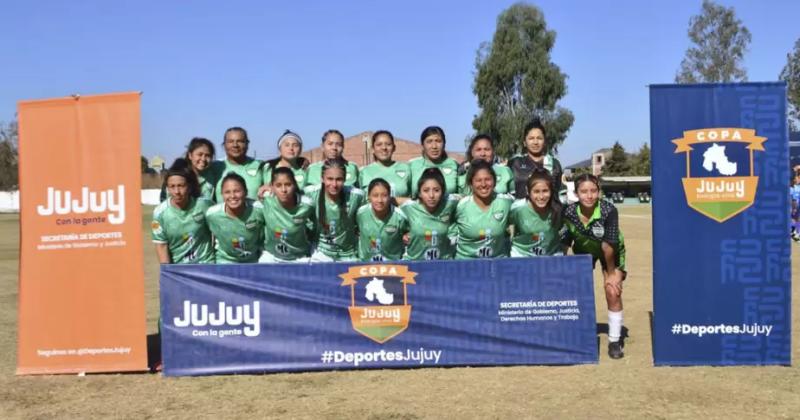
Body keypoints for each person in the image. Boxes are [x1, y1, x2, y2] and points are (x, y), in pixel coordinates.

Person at [562, 174, 627, 359]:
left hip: (611, 252)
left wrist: (612, 273)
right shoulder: (568, 212)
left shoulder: (608, 210)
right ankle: (579, 334)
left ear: (599, 192)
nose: (589, 196)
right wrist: (562, 268)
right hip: (584, 251)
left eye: (593, 191)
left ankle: (614, 341)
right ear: (576, 193)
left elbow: (609, 246)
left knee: (612, 291)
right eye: (584, 191)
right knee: (577, 290)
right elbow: (565, 241)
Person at [151, 160, 215, 264]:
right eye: (172, 186)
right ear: (167, 188)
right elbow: (161, 245)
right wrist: (168, 272)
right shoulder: (160, 213)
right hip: (180, 270)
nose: (177, 192)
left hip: (206, 265)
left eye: (181, 186)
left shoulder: (204, 205)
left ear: (189, 187)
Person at [305, 158, 364, 261]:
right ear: (322, 178)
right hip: (320, 253)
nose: (334, 184)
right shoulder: (310, 194)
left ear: (345, 179)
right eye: (330, 179)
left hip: (348, 253)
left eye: (339, 179)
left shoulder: (356, 196)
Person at [454, 160, 514, 259]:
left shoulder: (505, 202)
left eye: (487, 179)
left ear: (494, 181)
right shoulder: (460, 206)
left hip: (497, 264)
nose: (483, 184)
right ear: (470, 183)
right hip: (466, 265)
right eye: (478, 180)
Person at [401, 168, 460, 260]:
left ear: (443, 192)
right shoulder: (408, 207)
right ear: (419, 193)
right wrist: (402, 234)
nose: (431, 195)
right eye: (426, 190)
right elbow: (390, 204)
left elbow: (471, 199)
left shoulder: (450, 202)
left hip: (444, 263)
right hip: (414, 263)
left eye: (436, 190)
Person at [205, 173, 265, 263]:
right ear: (222, 194)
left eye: (237, 191)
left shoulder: (259, 209)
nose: (232, 196)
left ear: (246, 192)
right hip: (224, 261)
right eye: (227, 192)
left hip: (253, 261)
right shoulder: (212, 214)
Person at [259, 167, 315, 263]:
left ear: (294, 185)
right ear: (272, 186)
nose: (284, 190)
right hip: (272, 256)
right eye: (278, 185)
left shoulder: (307, 204)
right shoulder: (266, 199)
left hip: (300, 258)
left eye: (288, 185)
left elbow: (316, 225)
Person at [509, 168, 564, 257]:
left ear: (551, 190)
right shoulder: (517, 208)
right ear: (528, 191)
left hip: (551, 255)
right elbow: (508, 224)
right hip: (522, 255)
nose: (541, 197)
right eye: (536, 192)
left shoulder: (559, 208)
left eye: (545, 191)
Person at [508, 119, 563, 200]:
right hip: (521, 211)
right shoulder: (515, 162)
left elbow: (559, 193)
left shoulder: (554, 164)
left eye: (539, 138)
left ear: (544, 141)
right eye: (531, 138)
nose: (535, 142)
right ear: (524, 142)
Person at [356, 178, 409, 261]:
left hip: (394, 266)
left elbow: (410, 233)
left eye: (384, 195)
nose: (380, 200)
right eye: (375, 195)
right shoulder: (360, 213)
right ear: (369, 196)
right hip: (365, 265)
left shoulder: (399, 216)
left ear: (390, 196)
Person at [211, 127, 262, 203]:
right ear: (224, 145)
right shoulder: (214, 167)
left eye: (240, 141)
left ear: (247, 144)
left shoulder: (261, 166)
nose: (235, 145)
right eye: (230, 141)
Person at [160, 137, 218, 202]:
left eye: (207, 155)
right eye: (200, 154)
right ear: (190, 155)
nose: (203, 159)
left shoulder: (212, 178)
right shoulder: (177, 175)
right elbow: (164, 201)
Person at [359, 130, 412, 197]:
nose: (384, 148)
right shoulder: (364, 172)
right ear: (372, 149)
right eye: (379, 144)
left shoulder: (405, 168)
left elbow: (413, 198)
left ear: (394, 148)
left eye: (388, 144)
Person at [409, 126, 459, 196]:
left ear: (444, 144)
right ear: (422, 145)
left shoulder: (454, 164)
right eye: (429, 142)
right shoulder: (412, 165)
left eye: (438, 141)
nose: (434, 146)